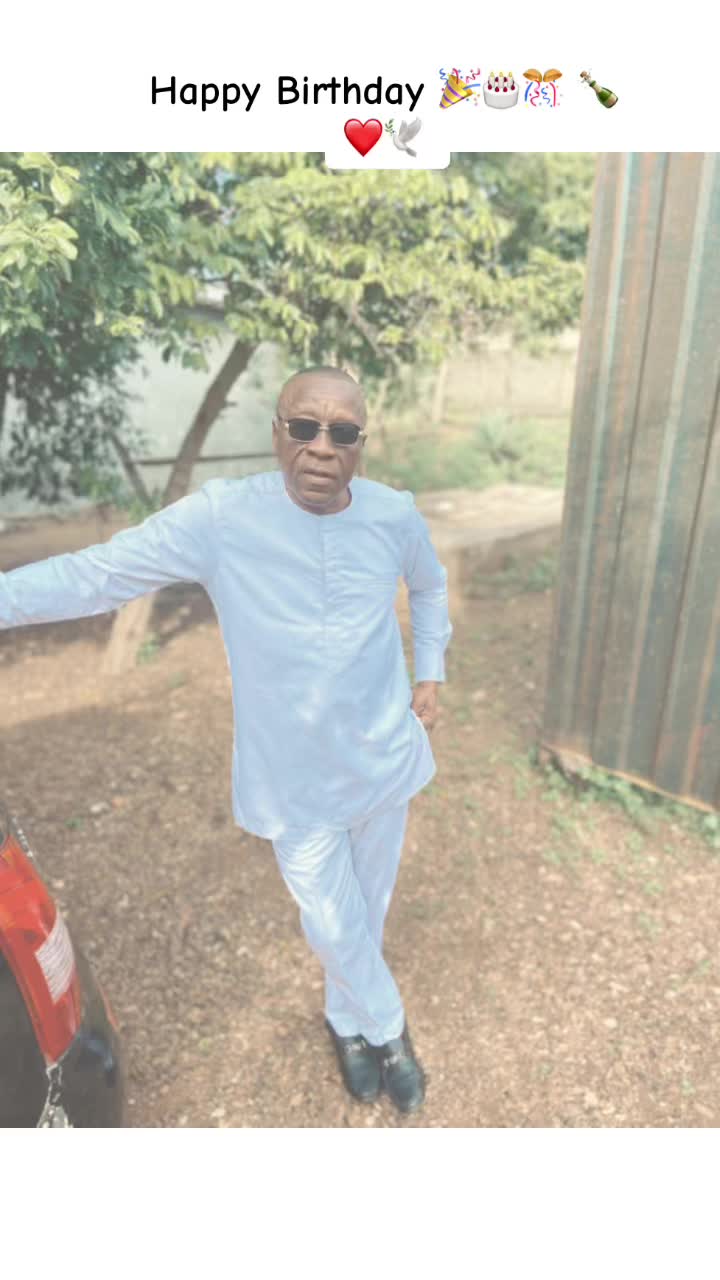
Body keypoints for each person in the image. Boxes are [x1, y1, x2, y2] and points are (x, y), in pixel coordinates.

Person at [0, 366, 452, 1115]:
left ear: (361, 444)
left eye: (342, 433)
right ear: (277, 433)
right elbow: (97, 574)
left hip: (383, 759)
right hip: (293, 782)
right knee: (332, 919)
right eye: (303, 427)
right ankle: (389, 1029)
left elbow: (430, 586)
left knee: (366, 911)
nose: (321, 447)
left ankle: (346, 1022)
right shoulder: (222, 518)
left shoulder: (393, 515)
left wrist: (430, 669)